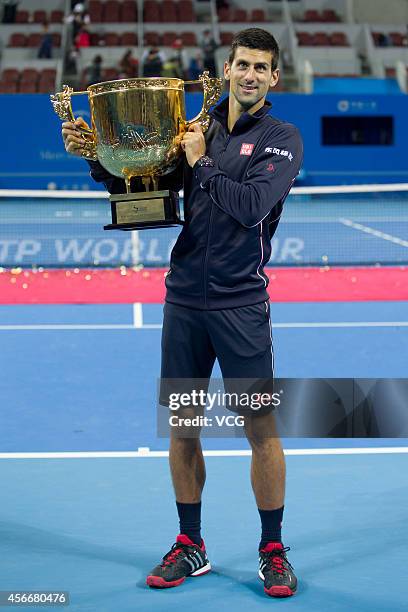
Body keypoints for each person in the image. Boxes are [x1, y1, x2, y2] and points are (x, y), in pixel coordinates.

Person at [61, 27, 303, 598]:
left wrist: (203, 162)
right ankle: (190, 543)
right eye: (240, 64)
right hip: (184, 303)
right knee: (183, 427)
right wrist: (99, 155)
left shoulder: (282, 139)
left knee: (259, 429)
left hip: (241, 304)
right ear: (227, 70)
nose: (248, 74)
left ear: (273, 77)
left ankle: (272, 547)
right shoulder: (193, 127)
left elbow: (249, 207)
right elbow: (147, 190)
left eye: (260, 67)